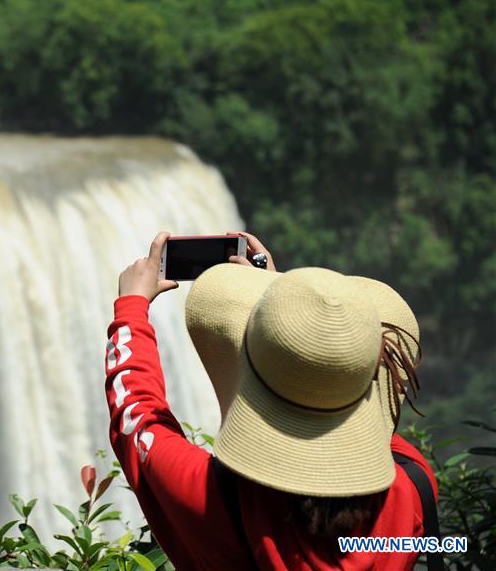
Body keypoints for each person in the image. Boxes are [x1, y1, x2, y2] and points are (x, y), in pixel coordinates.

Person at [105, 231, 436, 569]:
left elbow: (135, 415)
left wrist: (132, 306)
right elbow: (357, 411)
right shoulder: (414, 488)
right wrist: (296, 321)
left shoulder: (212, 501)